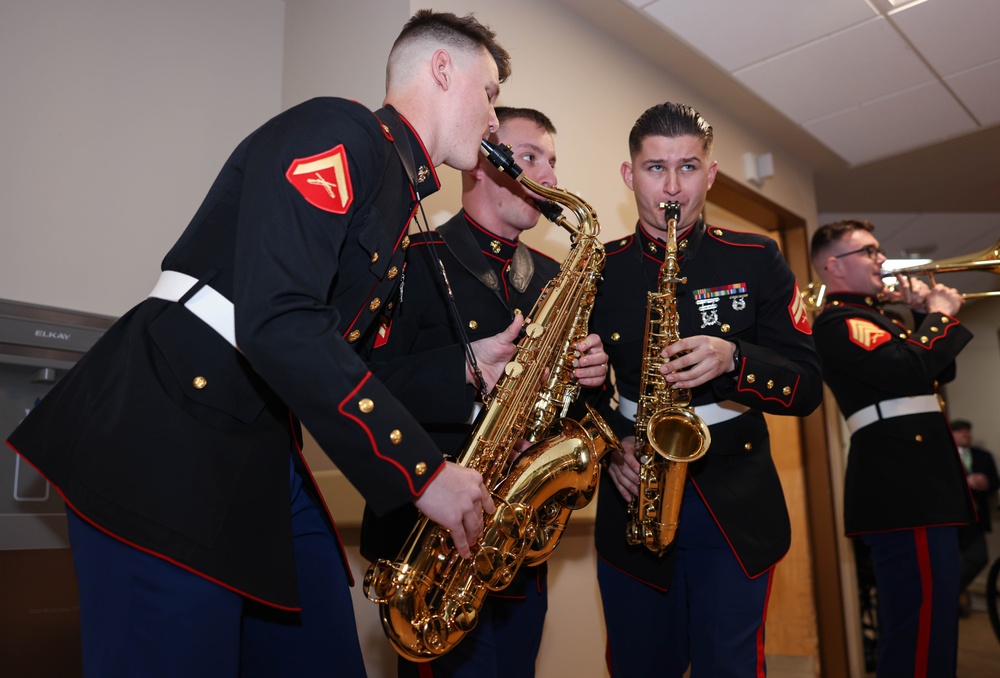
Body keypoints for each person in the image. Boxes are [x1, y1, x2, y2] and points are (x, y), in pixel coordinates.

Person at [4, 10, 512, 677]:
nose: (495, 119)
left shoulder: (394, 188)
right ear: (443, 69)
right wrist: (422, 471)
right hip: (168, 435)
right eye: (492, 93)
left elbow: (336, 361)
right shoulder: (343, 129)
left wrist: (464, 369)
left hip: (256, 442)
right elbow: (279, 322)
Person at [361, 106, 609, 677]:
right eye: (529, 158)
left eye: (552, 160)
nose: (547, 175)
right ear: (482, 164)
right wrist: (465, 370)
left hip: (517, 547)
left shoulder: (554, 274)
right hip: (432, 554)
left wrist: (593, 375)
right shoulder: (410, 260)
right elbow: (361, 387)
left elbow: (575, 410)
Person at [589, 101, 823, 677]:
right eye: (655, 168)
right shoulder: (597, 268)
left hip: (735, 507)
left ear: (710, 174)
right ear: (629, 174)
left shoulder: (756, 256)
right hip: (632, 498)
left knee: (732, 667)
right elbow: (575, 387)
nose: (672, 187)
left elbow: (808, 385)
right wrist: (609, 442)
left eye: (688, 167)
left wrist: (735, 358)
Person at [810, 218, 975, 676]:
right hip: (903, 486)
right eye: (868, 251)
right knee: (916, 625)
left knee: (935, 622)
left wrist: (924, 316)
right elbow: (907, 371)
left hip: (918, 483)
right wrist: (940, 316)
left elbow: (937, 373)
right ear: (833, 267)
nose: (881, 260)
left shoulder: (883, 319)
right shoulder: (839, 322)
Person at [951, 419, 999, 603]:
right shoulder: (945, 457)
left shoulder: (982, 456)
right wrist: (967, 483)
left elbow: (995, 481)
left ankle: (950, 594)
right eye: (960, 432)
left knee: (978, 557)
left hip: (976, 518)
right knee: (951, 561)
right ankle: (948, 596)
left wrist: (985, 483)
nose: (965, 434)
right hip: (953, 518)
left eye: (967, 431)